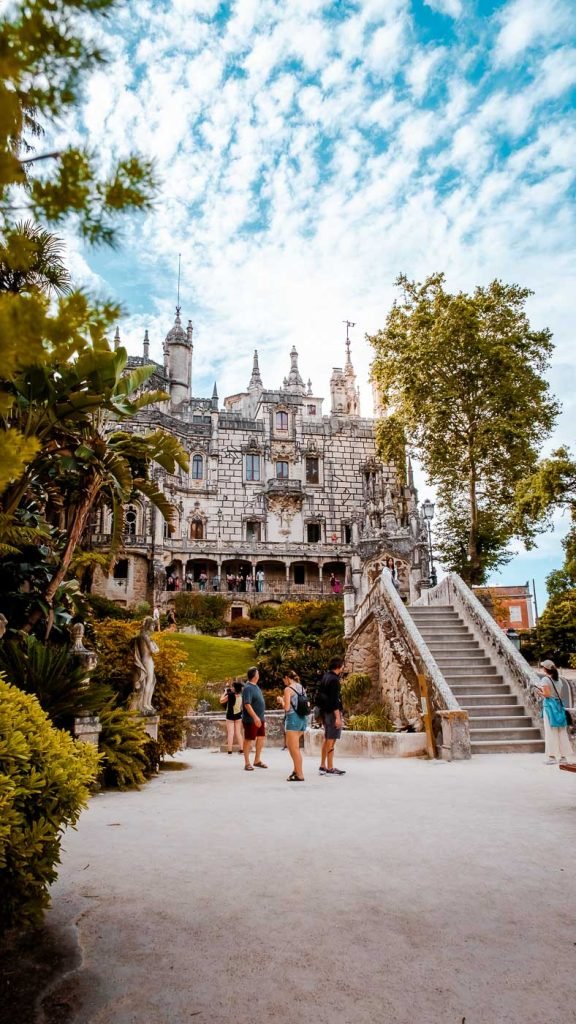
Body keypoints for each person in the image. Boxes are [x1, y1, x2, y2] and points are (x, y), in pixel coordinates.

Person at [536, 660, 574, 765]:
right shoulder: (559, 680)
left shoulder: (545, 679)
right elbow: (557, 695)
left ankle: (552, 757)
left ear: (545, 669)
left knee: (550, 732)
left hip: (549, 708)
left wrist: (540, 692)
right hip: (558, 707)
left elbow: (547, 694)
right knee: (561, 731)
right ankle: (563, 757)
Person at [317, 656, 346, 776]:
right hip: (332, 713)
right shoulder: (334, 680)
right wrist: (338, 717)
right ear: (339, 666)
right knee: (331, 740)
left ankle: (323, 764)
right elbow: (335, 700)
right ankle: (330, 767)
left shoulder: (325, 677)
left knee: (326, 737)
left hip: (324, 712)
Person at [281, 669, 307, 782]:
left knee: (294, 748)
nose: (284, 682)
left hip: (293, 720)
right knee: (291, 746)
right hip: (302, 719)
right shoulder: (300, 686)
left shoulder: (288, 689)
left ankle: (300, 774)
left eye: (283, 680)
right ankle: (296, 770)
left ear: (287, 677)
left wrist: (281, 700)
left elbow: (286, 708)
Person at [241, 666, 267, 771]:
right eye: (258, 673)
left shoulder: (256, 686)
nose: (259, 674)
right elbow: (247, 704)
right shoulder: (248, 688)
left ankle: (257, 760)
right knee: (248, 740)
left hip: (260, 718)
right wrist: (255, 717)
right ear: (254, 675)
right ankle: (247, 763)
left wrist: (260, 718)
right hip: (251, 719)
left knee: (261, 737)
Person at [220, 681, 244, 754]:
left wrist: (225, 692)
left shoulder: (230, 695)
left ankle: (229, 751)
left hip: (230, 715)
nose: (231, 687)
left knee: (231, 733)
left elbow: (221, 701)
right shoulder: (241, 695)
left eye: (232, 686)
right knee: (238, 733)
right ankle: (242, 749)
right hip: (238, 715)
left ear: (234, 688)